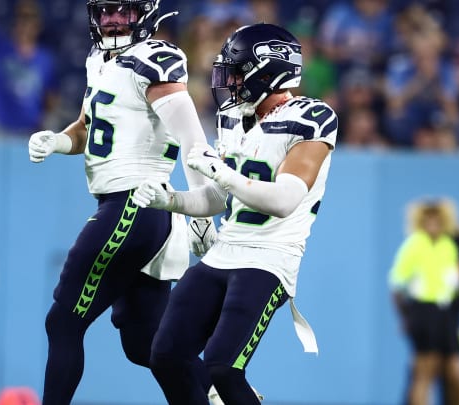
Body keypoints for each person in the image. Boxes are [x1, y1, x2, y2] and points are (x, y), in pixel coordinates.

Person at [133, 22, 336, 404]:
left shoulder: (312, 116)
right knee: (165, 355)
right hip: (224, 251)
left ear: (269, 70)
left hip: (270, 259)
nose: (231, 81)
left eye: (238, 71)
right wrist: (170, 200)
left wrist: (223, 174)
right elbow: (217, 199)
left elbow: (284, 200)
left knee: (223, 368)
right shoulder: (233, 118)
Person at [26, 1, 218, 403]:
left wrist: (201, 209)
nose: (113, 19)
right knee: (147, 344)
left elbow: (193, 142)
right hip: (132, 209)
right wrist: (59, 140)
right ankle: (219, 393)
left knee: (63, 321)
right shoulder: (99, 61)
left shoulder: (155, 58)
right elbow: (86, 128)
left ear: (144, 15)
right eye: (106, 11)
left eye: (124, 11)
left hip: (135, 202)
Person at [388, 200, 459, 405]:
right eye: (428, 220)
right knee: (425, 370)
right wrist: (406, 318)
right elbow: (396, 286)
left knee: (455, 371)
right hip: (422, 311)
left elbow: (453, 281)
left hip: (446, 314)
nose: (433, 224)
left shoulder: (448, 245)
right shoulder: (414, 244)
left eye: (437, 220)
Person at [0, 0, 61, 137]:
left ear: (39, 24)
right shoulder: (0, 47)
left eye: (30, 17)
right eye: (21, 17)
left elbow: (51, 98)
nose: (25, 22)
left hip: (28, 131)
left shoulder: (46, 60)